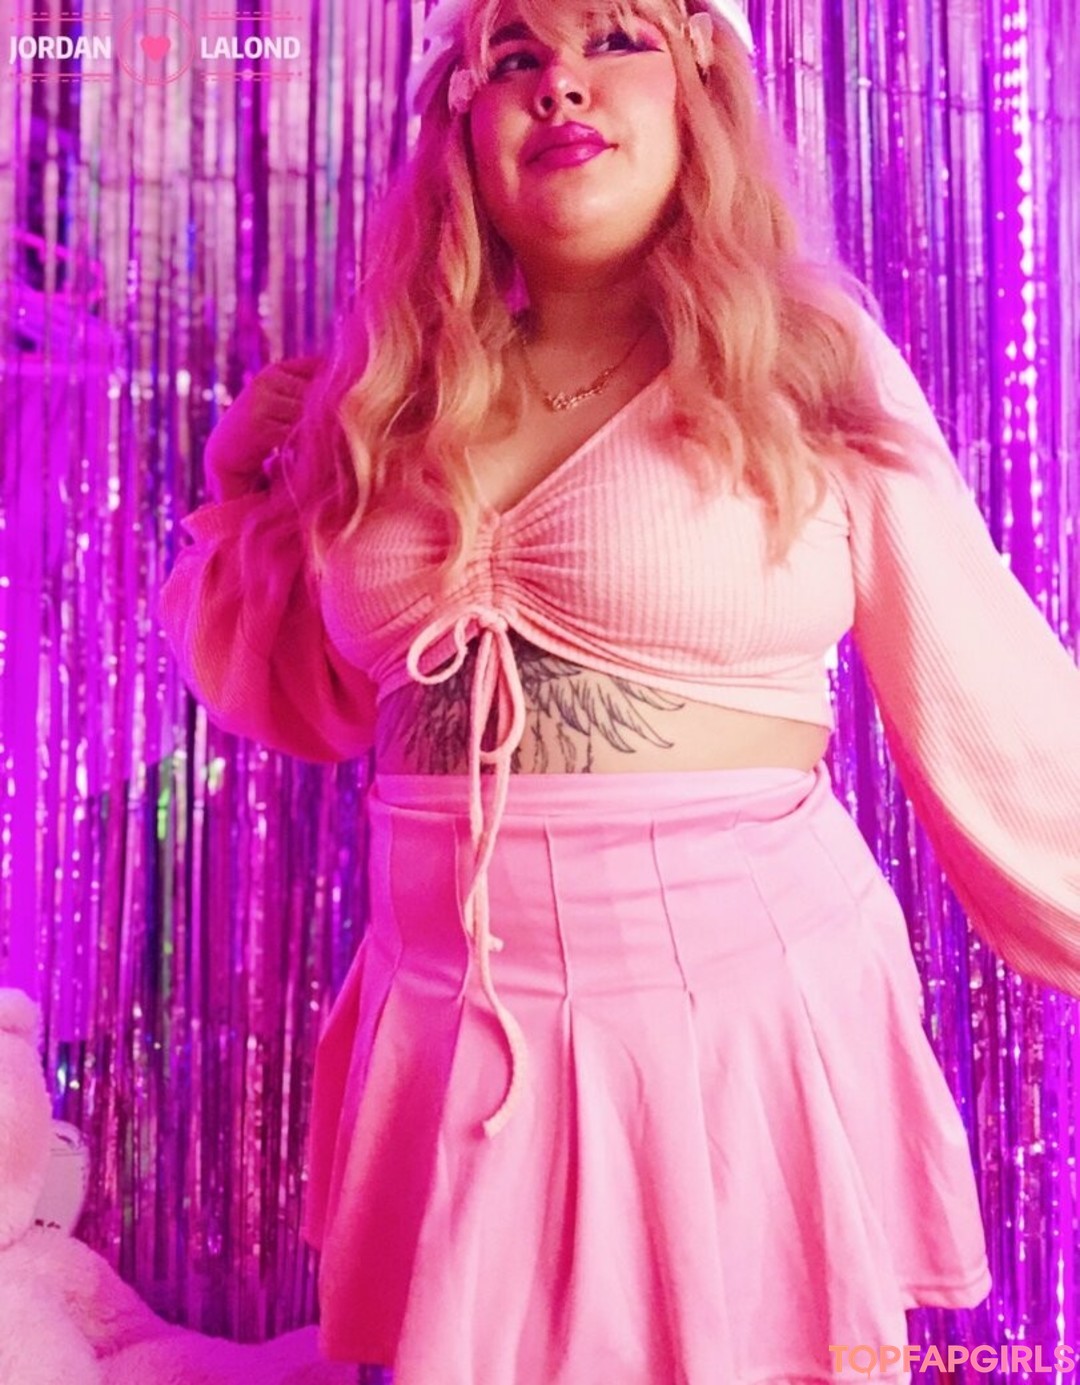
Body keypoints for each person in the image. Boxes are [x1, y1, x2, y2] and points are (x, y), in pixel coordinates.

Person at [158, 0, 1080, 1380]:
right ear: (462, 124)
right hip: (445, 1029)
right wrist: (245, 485)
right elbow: (314, 699)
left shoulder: (802, 362)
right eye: (516, 58)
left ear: (701, 89)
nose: (562, 85)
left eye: (614, 43)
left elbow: (987, 689)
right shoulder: (389, 397)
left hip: (725, 1035)